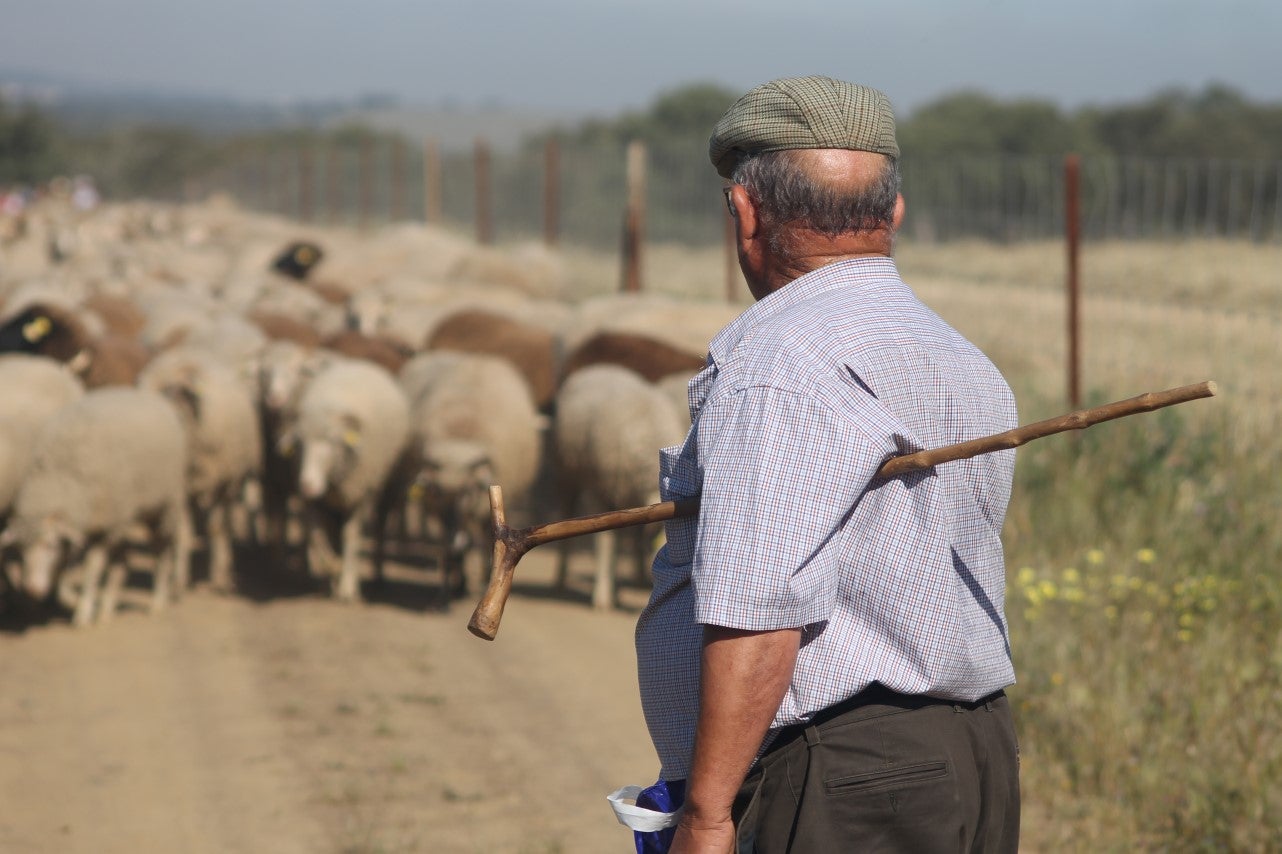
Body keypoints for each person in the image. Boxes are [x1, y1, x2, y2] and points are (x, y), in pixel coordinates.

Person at [632, 76, 1021, 853]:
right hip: (974, 756)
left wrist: (707, 816)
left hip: (847, 782)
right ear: (893, 214)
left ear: (743, 212)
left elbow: (762, 609)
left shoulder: (782, 364)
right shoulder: (957, 354)